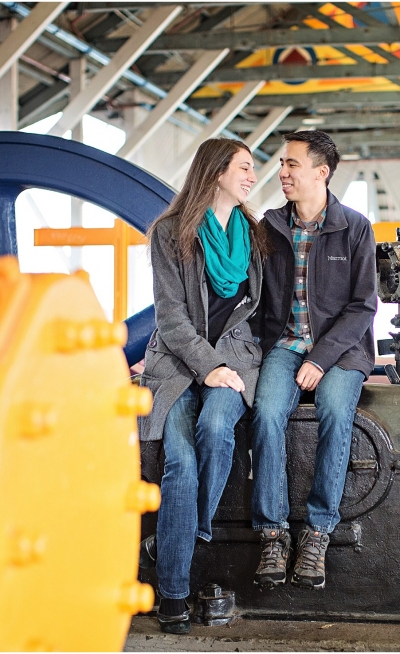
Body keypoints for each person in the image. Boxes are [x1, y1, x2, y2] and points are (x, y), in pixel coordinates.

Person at [139, 138, 267, 633]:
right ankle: (172, 594)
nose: (253, 177)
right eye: (244, 167)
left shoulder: (253, 236)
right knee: (181, 467)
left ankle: (178, 537)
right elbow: (170, 317)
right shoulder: (170, 233)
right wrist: (206, 366)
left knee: (217, 428)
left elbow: (263, 310)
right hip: (176, 366)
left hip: (234, 363)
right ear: (216, 173)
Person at [249, 130, 377, 590]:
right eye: (282, 164)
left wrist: (321, 360)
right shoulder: (269, 226)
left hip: (341, 349)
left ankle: (319, 531)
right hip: (284, 345)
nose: (282, 173)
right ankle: (272, 533)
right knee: (265, 414)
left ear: (321, 173)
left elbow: (363, 306)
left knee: (336, 412)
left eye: (292, 165)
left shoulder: (355, 227)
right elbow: (253, 298)